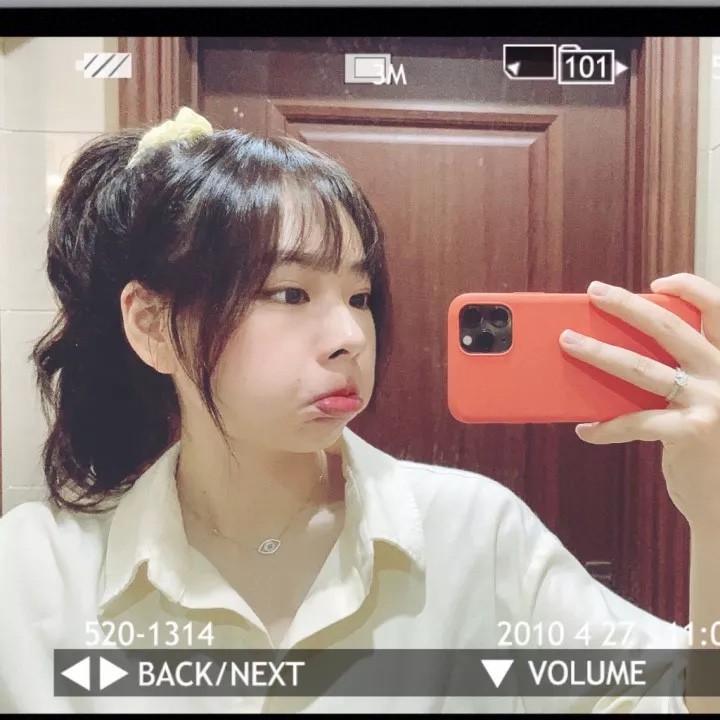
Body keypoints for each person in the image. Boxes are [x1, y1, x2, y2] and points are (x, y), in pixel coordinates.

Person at [0, 106, 718, 713]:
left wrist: (717, 518)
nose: (350, 336)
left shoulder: (474, 535)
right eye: (290, 293)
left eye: (360, 296)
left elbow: (684, 697)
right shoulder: (33, 574)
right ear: (152, 324)